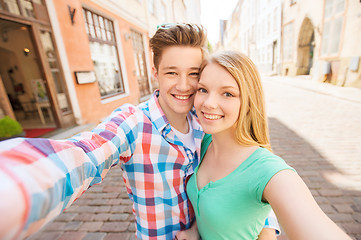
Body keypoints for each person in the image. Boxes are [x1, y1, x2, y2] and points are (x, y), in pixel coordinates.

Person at [0, 24, 278, 240]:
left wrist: (266, 227)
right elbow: (85, 154)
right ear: (155, 72)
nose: (184, 86)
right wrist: (16, 185)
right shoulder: (132, 122)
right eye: (172, 73)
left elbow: (248, 174)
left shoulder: (206, 120)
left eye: (193, 74)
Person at [183, 50, 351, 239]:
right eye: (203, 90)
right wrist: (195, 230)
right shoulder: (204, 143)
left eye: (228, 93)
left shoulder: (268, 171)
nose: (209, 103)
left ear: (247, 102)